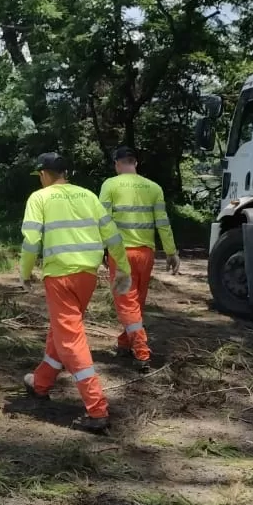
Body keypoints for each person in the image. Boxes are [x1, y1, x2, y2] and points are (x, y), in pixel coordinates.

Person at [19, 152, 132, 433]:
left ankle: (97, 409)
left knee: (70, 338)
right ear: (65, 173)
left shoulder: (39, 198)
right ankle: (41, 383)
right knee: (60, 329)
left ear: (44, 174)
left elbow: (32, 238)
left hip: (59, 276)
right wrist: (123, 268)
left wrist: (24, 272)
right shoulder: (88, 196)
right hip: (87, 276)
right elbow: (112, 235)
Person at [98, 146, 179, 371]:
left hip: (121, 254)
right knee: (136, 303)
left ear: (117, 163)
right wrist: (171, 252)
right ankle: (124, 342)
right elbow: (162, 222)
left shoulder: (110, 185)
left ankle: (142, 353)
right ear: (135, 163)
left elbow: (102, 221)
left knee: (126, 304)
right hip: (146, 254)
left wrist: (101, 250)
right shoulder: (153, 188)